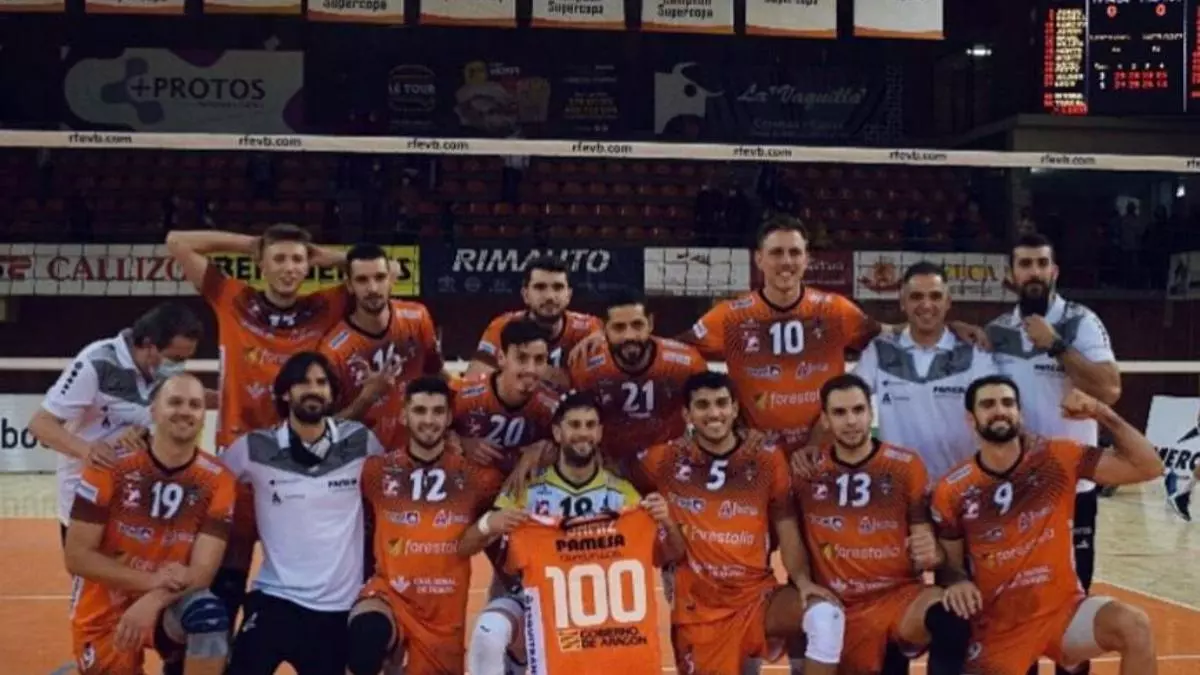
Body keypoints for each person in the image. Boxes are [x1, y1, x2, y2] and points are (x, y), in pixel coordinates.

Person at [166, 223, 353, 628]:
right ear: (262, 265)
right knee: (227, 571)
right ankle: (213, 650)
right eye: (279, 258)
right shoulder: (233, 297)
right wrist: (251, 244)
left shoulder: (324, 305)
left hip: (298, 467)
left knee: (300, 571)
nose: (289, 267)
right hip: (238, 460)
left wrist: (327, 256)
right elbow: (177, 242)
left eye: (297, 260)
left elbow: (385, 270)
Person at [931, 376, 1161, 675]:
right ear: (971, 419)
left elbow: (1149, 466)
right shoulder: (953, 488)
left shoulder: (1057, 457)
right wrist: (957, 581)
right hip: (999, 628)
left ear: (1019, 413)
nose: (1000, 410)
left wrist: (1101, 412)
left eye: (1008, 403)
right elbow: (950, 566)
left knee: (1134, 625)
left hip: (1063, 612)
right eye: (988, 404)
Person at [634, 371, 843, 675]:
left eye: (721, 403)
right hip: (699, 610)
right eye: (702, 405)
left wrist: (801, 580)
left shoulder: (766, 459)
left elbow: (786, 527)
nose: (714, 413)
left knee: (825, 616)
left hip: (755, 597)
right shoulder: (663, 460)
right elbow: (612, 475)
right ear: (687, 414)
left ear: (734, 409)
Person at [458, 390, 680, 675]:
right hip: (535, 604)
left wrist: (666, 522)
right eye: (574, 425)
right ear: (557, 432)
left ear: (599, 433)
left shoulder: (623, 495)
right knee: (489, 631)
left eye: (590, 425)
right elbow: (465, 547)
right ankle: (521, 658)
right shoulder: (527, 489)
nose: (583, 433)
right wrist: (490, 523)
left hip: (601, 616)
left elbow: (667, 554)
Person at [984, 234, 1121, 675]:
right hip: (1013, 491)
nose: (1034, 272)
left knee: (1071, 610)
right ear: (1010, 275)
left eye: (1042, 264)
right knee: (1014, 607)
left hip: (1071, 490)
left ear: (1054, 271)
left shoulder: (1080, 322)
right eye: (1025, 264)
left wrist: (1057, 345)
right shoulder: (997, 332)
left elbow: (1110, 388)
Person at [219, 351, 386, 675]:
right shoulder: (254, 447)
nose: (313, 390)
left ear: (332, 394)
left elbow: (393, 485)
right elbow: (207, 479)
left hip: (337, 608)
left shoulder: (360, 441)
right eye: (303, 382)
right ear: (285, 393)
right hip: (275, 597)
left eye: (321, 383)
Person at [795, 374, 971, 675]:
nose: (851, 421)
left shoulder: (905, 465)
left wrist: (932, 554)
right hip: (838, 602)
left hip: (899, 598)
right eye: (840, 412)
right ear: (825, 419)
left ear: (871, 412)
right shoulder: (807, 472)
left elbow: (925, 541)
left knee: (951, 616)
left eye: (858, 410)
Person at [64, 374, 236, 675]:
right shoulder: (110, 465)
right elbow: (77, 557)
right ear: (153, 410)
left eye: (195, 405)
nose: (185, 411)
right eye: (175, 402)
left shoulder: (218, 478)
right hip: (105, 606)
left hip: (168, 601)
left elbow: (203, 572)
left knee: (207, 616)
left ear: (202, 415)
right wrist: (150, 582)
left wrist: (153, 599)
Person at [346, 376, 503, 675]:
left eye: (437, 411)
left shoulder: (477, 478)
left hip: (443, 616)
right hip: (389, 595)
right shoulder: (376, 472)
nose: (428, 420)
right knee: (365, 637)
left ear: (448, 418)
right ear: (404, 415)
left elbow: (517, 494)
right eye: (419, 411)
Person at [29, 301, 204, 542]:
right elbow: (40, 425)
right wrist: (88, 450)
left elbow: (186, 402)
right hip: (86, 494)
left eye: (185, 359)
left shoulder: (162, 374)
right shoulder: (97, 362)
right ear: (149, 344)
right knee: (91, 565)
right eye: (174, 358)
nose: (179, 366)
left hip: (140, 497)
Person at [853, 261, 1000, 483]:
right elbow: (847, 399)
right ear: (903, 303)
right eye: (916, 297)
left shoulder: (974, 354)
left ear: (948, 302)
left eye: (935, 296)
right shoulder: (880, 351)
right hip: (897, 486)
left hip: (958, 486)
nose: (926, 305)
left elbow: (996, 412)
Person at [503, 501, 669, 674]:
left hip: (566, 655)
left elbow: (508, 567)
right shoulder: (637, 522)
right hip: (630, 658)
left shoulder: (532, 533)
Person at [567, 287, 707, 475]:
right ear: (605, 329)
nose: (629, 336)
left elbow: (708, 415)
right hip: (607, 466)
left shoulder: (687, 362)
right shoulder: (586, 367)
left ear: (650, 323)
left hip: (667, 466)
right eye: (619, 327)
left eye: (637, 325)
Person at [318, 242, 443, 444]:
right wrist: (367, 398)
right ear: (349, 285)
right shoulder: (334, 351)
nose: (373, 288)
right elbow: (323, 429)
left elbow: (437, 375)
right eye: (362, 280)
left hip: (421, 448)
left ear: (391, 279)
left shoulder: (418, 317)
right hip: (365, 454)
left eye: (380, 277)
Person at [465, 254, 604, 389]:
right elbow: (473, 383)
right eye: (540, 287)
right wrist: (544, 372)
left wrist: (604, 338)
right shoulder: (503, 326)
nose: (550, 296)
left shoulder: (590, 328)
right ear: (525, 295)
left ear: (569, 295)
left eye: (558, 287)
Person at [453, 317, 560, 470]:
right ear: (501, 358)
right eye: (521, 358)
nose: (531, 369)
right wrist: (459, 441)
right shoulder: (461, 393)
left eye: (539, 360)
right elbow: (426, 428)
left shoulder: (553, 406)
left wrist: (548, 446)